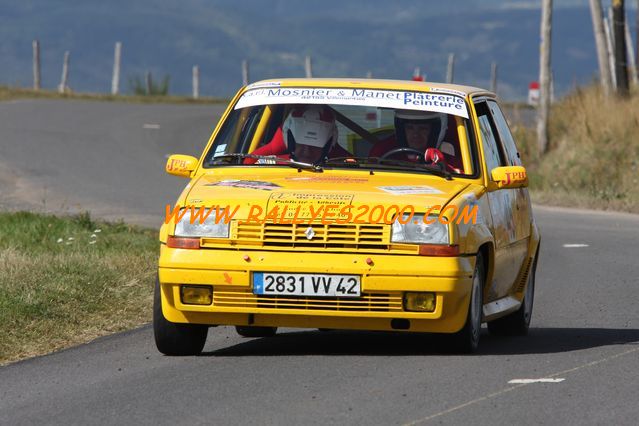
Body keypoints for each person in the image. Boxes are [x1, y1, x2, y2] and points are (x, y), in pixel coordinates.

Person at [244, 105, 350, 165]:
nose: (307, 151)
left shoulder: (349, 170)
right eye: (302, 145)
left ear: (328, 145)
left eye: (314, 146)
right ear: (289, 141)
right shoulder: (265, 164)